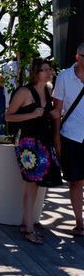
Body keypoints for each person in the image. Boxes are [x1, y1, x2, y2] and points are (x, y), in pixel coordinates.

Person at [5, 58, 62, 244]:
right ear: (36, 73)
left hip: (43, 142)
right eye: (44, 70)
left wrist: (52, 114)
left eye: (49, 69)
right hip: (29, 144)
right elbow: (8, 117)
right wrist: (32, 114)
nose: (48, 73)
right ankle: (29, 229)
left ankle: (26, 223)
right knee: (31, 184)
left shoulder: (48, 89)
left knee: (36, 184)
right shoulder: (24, 92)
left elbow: (45, 115)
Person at [52, 43, 84, 238]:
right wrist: (56, 137)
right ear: (78, 57)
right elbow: (57, 109)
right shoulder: (64, 76)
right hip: (72, 135)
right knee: (76, 181)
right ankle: (79, 222)